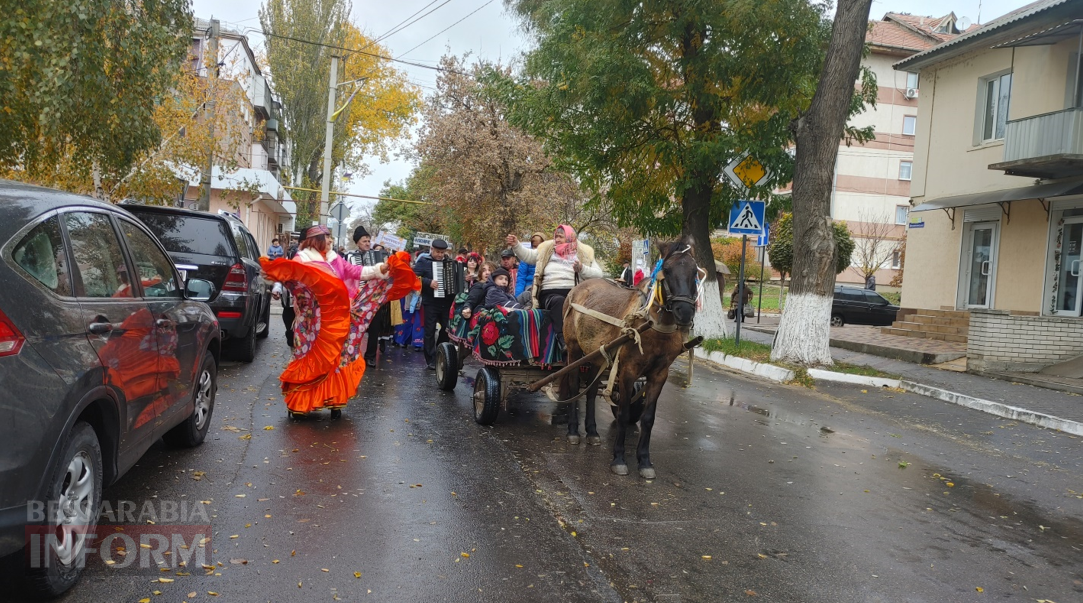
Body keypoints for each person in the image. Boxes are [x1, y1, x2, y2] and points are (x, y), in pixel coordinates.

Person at [263, 224, 418, 418]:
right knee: (310, 357)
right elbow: (290, 276)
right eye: (326, 237)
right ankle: (302, 403)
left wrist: (381, 269)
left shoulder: (334, 259)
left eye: (330, 238)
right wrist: (277, 280)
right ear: (316, 240)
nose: (330, 241)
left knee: (337, 358)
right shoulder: (302, 259)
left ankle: (334, 400)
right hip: (311, 323)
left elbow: (357, 271)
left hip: (337, 319)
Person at [506, 224, 603, 348]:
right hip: (550, 294)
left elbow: (598, 274)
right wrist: (516, 245)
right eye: (555, 236)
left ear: (570, 237)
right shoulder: (547, 250)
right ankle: (562, 340)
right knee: (559, 302)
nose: (557, 239)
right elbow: (528, 256)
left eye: (560, 237)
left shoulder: (583, 253)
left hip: (575, 293)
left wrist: (582, 268)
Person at [346, 226, 393, 365]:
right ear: (357, 243)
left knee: (374, 327)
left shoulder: (378, 255)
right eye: (364, 241)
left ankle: (370, 356)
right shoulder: (350, 257)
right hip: (358, 297)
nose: (367, 243)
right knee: (355, 327)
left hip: (374, 298)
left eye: (368, 241)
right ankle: (353, 354)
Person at [414, 238, 455, 370]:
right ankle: (430, 359)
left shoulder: (450, 263)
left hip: (446, 301)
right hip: (430, 301)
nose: (440, 255)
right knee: (430, 330)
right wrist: (428, 282)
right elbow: (414, 277)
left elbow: (456, 278)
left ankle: (440, 353)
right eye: (437, 252)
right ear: (431, 249)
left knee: (446, 329)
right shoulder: (423, 261)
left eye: (442, 252)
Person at [515, 232, 544, 296]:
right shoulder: (525, 259)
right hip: (529, 286)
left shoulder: (547, 257)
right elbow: (521, 278)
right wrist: (518, 296)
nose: (535, 249)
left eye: (538, 247)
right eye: (534, 246)